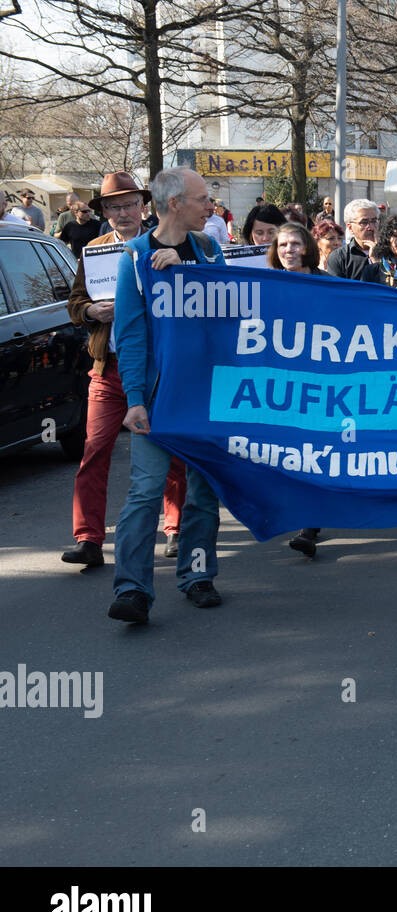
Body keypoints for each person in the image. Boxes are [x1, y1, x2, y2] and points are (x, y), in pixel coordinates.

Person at [107, 168, 228, 624]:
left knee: (201, 493)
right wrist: (134, 398)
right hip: (158, 398)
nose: (209, 205)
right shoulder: (134, 258)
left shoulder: (208, 249)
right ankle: (133, 589)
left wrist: (189, 275)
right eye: (202, 198)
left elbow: (232, 306)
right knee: (145, 491)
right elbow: (132, 334)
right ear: (175, 203)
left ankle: (197, 576)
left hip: (204, 396)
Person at [60, 172, 188, 570]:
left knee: (169, 449)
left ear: (144, 206)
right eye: (113, 206)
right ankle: (89, 539)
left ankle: (176, 528)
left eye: (129, 203)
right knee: (95, 450)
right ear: (104, 212)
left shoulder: (164, 244)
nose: (122, 212)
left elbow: (196, 296)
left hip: (156, 367)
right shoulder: (95, 250)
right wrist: (90, 311)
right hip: (108, 366)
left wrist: (179, 267)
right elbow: (76, 301)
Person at [265, 222, 330, 557]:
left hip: (320, 381)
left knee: (314, 450)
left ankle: (310, 525)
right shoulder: (265, 285)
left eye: (294, 244)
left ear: (307, 247)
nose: (288, 250)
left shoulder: (329, 285)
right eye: (282, 245)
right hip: (282, 382)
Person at [327, 199, 380, 279]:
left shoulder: (390, 253)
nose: (371, 227)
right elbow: (337, 289)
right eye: (364, 222)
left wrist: (377, 259)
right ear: (350, 227)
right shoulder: (339, 258)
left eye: (374, 221)